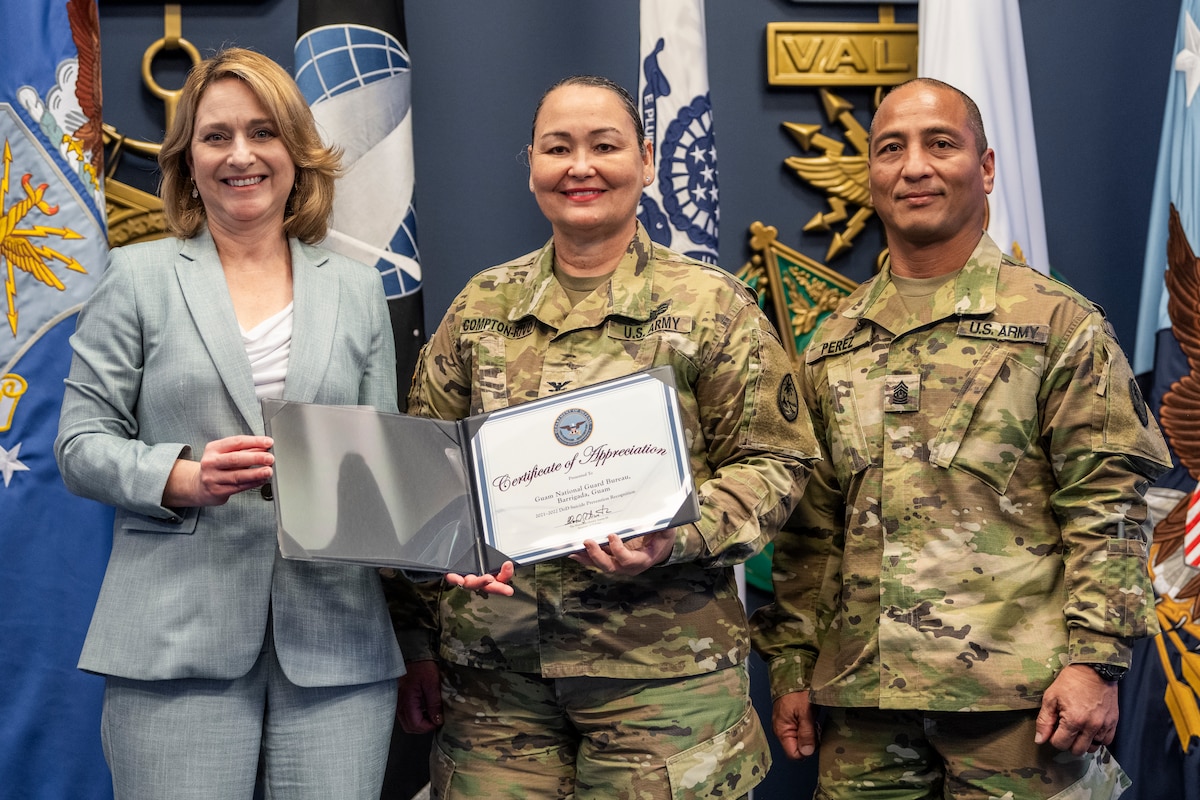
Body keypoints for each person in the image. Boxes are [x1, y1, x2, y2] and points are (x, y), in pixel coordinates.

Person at [390, 74, 818, 799]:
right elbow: (423, 477)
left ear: (647, 161)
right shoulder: (481, 307)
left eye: (605, 145)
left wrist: (674, 535)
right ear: (530, 166)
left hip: (661, 678)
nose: (580, 166)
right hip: (497, 682)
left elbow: (775, 462)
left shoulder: (712, 306)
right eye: (558, 148)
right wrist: (418, 632)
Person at [750, 76, 1174, 798]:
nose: (914, 166)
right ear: (872, 175)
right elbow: (808, 532)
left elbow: (1107, 509)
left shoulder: (1056, 326)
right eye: (891, 149)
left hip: (1023, 705)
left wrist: (1096, 663)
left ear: (985, 168)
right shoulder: (831, 345)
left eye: (939, 144)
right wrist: (791, 664)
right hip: (863, 707)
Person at [54, 48, 403, 799]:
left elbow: (382, 469)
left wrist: (439, 545)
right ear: (186, 158)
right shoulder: (135, 278)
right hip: (174, 643)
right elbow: (79, 445)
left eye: (263, 132)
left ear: (296, 151)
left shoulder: (358, 289)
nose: (241, 154)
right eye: (216, 137)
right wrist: (180, 476)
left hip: (337, 649)